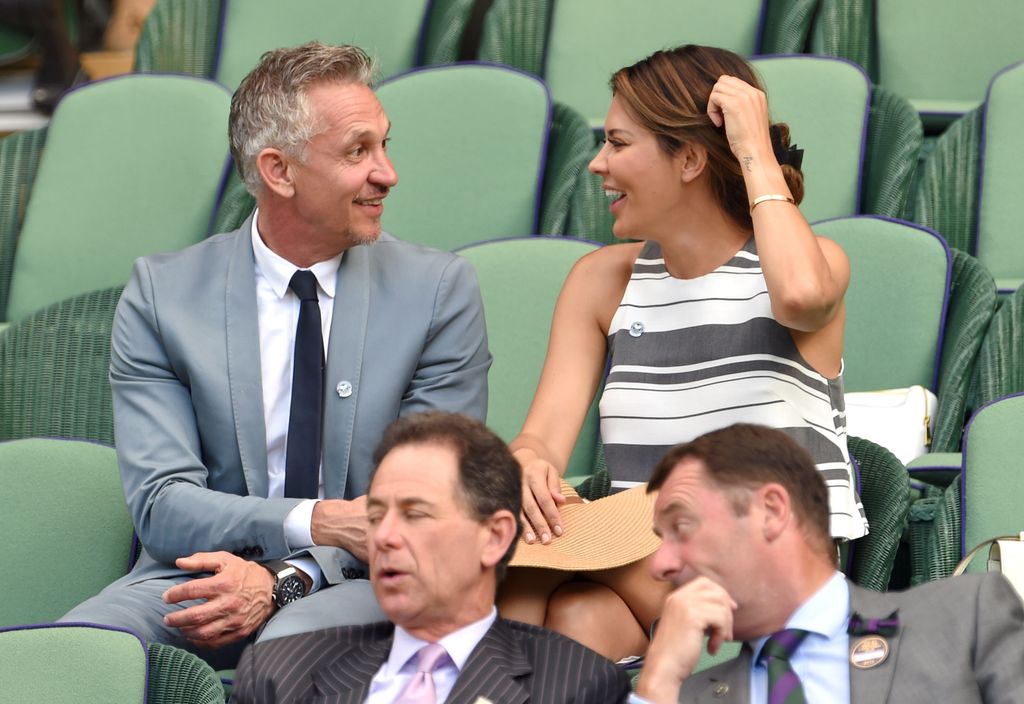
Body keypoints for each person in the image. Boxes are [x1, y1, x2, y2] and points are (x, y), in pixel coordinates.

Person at [60, 42, 490, 668]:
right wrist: (313, 521)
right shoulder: (164, 295)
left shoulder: (438, 292)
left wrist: (289, 577)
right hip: (192, 576)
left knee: (288, 650)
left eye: (384, 145)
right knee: (77, 653)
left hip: (365, 580)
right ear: (279, 171)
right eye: (357, 151)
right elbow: (163, 506)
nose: (387, 173)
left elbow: (425, 509)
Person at [498, 44, 867, 662]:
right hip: (647, 566)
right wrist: (529, 466)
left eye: (618, 143)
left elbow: (802, 296)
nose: (596, 164)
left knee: (530, 564)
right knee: (573, 612)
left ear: (691, 157)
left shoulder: (809, 265)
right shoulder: (600, 282)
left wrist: (753, 150)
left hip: (777, 578)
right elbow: (540, 440)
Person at [233, 411, 631, 703]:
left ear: (494, 538)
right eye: (375, 517)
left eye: (414, 514)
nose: (384, 536)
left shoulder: (581, 684)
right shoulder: (277, 673)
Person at [631, 423, 1024, 703]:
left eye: (681, 527)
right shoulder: (679, 695)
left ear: (770, 512)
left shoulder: (963, 620)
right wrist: (657, 684)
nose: (659, 565)